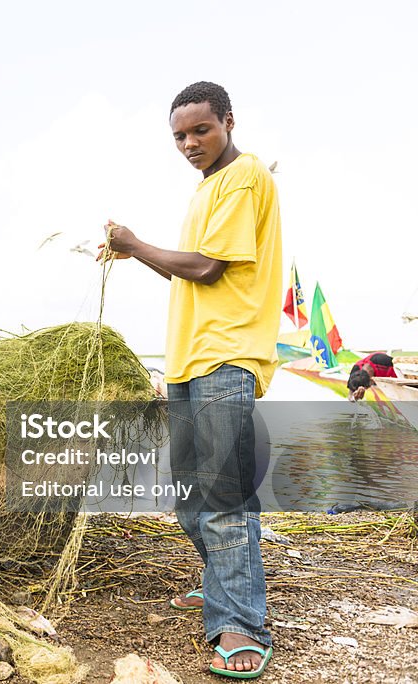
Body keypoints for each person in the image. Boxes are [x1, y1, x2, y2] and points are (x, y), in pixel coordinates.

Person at [98, 82, 280, 679]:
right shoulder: (207, 190)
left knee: (223, 498)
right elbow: (192, 273)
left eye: (200, 130)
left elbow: (205, 268)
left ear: (229, 120)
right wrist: (137, 255)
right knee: (190, 500)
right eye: (179, 136)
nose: (189, 143)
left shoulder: (243, 177)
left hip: (226, 358)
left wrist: (135, 241)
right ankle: (224, 589)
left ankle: (242, 622)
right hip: (188, 359)